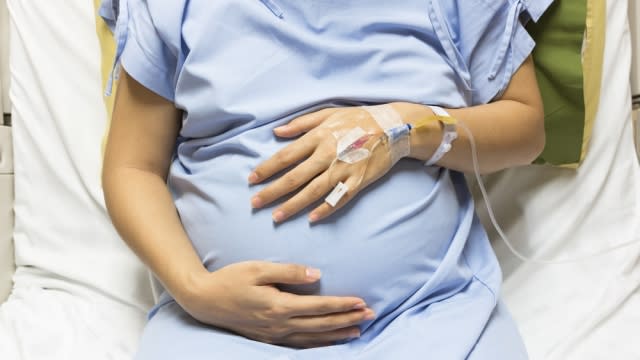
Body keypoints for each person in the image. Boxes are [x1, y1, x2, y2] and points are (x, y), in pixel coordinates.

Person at [101, 0, 551, 358]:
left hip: (432, 319)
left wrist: (403, 129)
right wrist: (196, 291)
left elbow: (525, 129)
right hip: (222, 331)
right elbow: (132, 168)